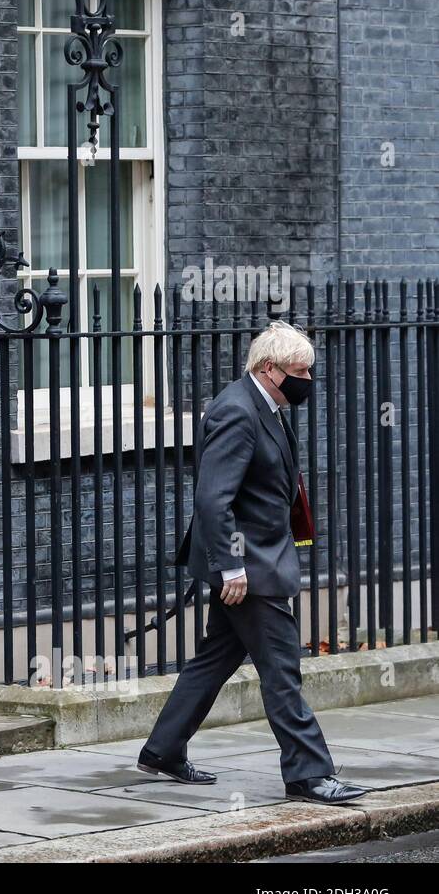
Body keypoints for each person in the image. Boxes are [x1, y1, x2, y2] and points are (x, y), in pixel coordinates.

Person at [138, 320, 368, 805]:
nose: (307, 380)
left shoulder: (265, 405)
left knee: (214, 660)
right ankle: (308, 774)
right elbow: (213, 499)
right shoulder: (238, 412)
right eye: (299, 371)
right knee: (283, 668)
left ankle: (162, 750)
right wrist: (233, 567)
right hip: (250, 568)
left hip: (258, 560)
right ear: (270, 368)